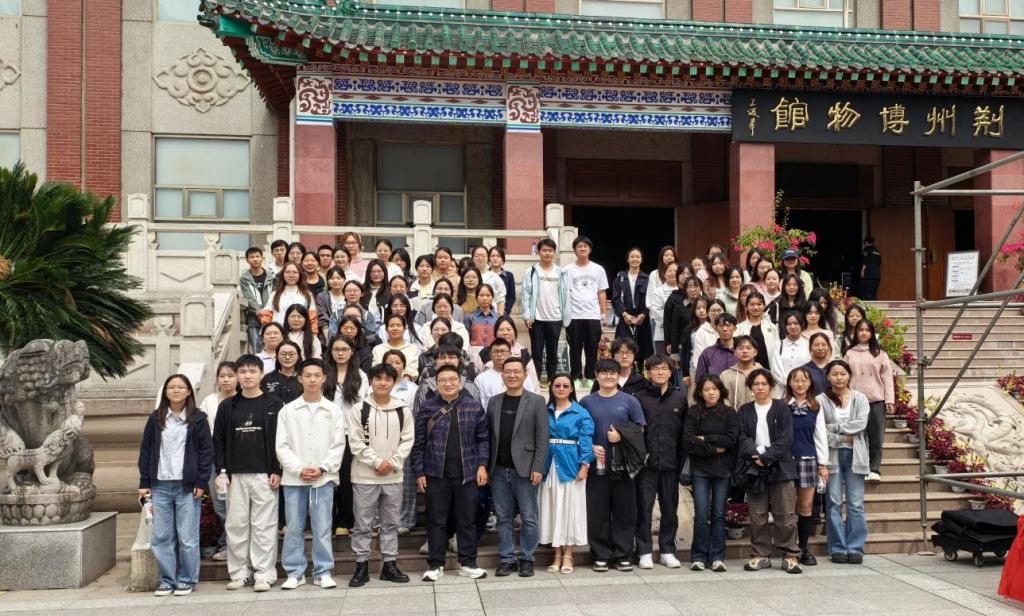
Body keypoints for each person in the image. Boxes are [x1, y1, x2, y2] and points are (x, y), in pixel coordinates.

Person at [412, 364, 490, 581]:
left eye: (452, 380)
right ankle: (435, 564)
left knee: (467, 520)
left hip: (468, 472)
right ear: (436, 384)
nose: (448, 384)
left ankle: (468, 563)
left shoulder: (473, 406)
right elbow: (419, 443)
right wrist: (419, 472)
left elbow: (483, 439)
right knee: (436, 520)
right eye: (443, 380)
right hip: (436, 473)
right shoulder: (427, 407)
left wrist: (482, 465)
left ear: (460, 382)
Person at [213, 354, 284, 592]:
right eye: (242, 371)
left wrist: (277, 469)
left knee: (264, 526)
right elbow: (218, 441)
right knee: (236, 525)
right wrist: (221, 471)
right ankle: (239, 573)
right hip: (234, 475)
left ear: (262, 374)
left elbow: (281, 440)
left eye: (253, 371)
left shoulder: (274, 404)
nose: (247, 376)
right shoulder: (227, 406)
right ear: (236, 376)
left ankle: (264, 573)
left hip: (264, 474)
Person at [138, 374, 213, 596]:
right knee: (161, 537)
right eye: (171, 387)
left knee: (187, 537)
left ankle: (187, 579)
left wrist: (201, 481)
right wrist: (144, 482)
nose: (176, 390)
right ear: (165, 392)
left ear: (189, 391)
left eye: (181, 387)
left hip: (187, 486)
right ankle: (167, 580)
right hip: (160, 485)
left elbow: (206, 452)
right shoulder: (156, 418)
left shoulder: (198, 418)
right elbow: (146, 450)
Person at [275, 359, 345, 590]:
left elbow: (338, 445)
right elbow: (281, 446)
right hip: (294, 479)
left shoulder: (333, 410)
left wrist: (323, 468)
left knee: (322, 526)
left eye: (317, 375)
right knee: (294, 527)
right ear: (300, 378)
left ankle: (322, 571)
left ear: (324, 378)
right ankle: (295, 572)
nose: (312, 379)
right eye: (308, 375)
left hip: (323, 478)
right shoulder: (288, 410)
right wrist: (299, 469)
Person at [347, 363, 415, 586]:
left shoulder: (402, 409)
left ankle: (389, 565)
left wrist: (393, 462)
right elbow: (355, 442)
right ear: (371, 381)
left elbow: (408, 440)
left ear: (394, 382)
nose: (383, 383)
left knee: (391, 523)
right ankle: (361, 566)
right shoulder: (359, 409)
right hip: (364, 476)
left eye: (388, 379)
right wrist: (376, 462)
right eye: (378, 378)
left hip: (393, 476)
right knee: (362, 524)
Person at [581, 359, 646, 572]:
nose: (608, 376)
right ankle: (600, 554)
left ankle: (623, 554)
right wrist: (590, 447)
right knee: (597, 511)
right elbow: (579, 430)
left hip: (623, 466)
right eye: (604, 373)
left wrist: (621, 435)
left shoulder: (630, 401)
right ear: (596, 375)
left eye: (612, 373)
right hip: (596, 466)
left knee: (624, 511)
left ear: (619, 375)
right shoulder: (587, 402)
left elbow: (640, 429)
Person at [486, 356, 549, 577]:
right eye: (508, 371)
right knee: (503, 517)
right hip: (498, 469)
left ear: (525, 374)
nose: (512, 375)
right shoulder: (494, 402)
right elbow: (488, 436)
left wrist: (538, 467)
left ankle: (527, 558)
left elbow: (542, 437)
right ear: (502, 375)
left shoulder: (536, 401)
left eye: (516, 371)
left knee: (529, 516)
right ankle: (507, 558)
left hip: (525, 469)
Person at [736, 368, 802, 574]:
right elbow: (741, 436)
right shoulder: (744, 410)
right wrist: (756, 454)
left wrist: (766, 458)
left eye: (764, 384)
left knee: (785, 515)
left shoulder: (782, 408)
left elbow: (785, 438)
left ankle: (790, 555)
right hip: (754, 469)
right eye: (756, 384)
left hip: (781, 467)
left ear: (771, 386)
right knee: (757, 515)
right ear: (750, 387)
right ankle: (760, 554)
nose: (760, 388)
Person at [633, 355, 686, 569]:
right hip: (646, 464)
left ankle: (667, 550)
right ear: (648, 372)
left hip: (671, 463)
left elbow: (684, 432)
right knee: (644, 509)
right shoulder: (639, 397)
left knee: (669, 509)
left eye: (664, 368)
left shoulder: (679, 398)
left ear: (670, 372)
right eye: (655, 368)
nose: (660, 372)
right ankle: (644, 551)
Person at [684, 374, 738, 572]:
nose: (711, 393)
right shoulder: (693, 412)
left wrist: (705, 438)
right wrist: (715, 448)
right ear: (700, 392)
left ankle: (717, 556)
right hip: (700, 470)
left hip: (723, 470)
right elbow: (688, 441)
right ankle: (698, 556)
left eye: (714, 389)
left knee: (719, 514)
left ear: (720, 390)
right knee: (701, 514)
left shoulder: (730, 413)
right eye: (706, 389)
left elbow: (731, 440)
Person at [539, 374, 594, 575]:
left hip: (571, 465)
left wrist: (585, 465)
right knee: (552, 508)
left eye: (565, 385)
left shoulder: (581, 413)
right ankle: (556, 554)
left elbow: (586, 439)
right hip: (548, 465)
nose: (561, 388)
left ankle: (569, 554)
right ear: (551, 388)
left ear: (572, 389)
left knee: (570, 509)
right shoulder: (544, 411)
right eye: (557, 385)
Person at [817, 360, 870, 564]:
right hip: (831, 455)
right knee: (834, 503)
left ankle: (855, 547)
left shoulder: (860, 398)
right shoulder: (821, 400)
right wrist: (844, 436)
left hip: (856, 455)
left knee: (855, 504)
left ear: (849, 375)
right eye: (834, 374)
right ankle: (837, 547)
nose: (839, 377)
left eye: (843, 373)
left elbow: (861, 424)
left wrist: (835, 427)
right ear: (828, 377)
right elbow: (821, 430)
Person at [323, 334, 369, 536]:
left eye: (344, 349)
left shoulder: (360, 376)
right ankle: (325, 519)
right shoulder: (323, 374)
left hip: (350, 434)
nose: (340, 353)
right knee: (326, 477)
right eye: (336, 349)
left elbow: (363, 406)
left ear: (352, 352)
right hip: (326, 433)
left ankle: (344, 519)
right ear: (331, 352)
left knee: (345, 478)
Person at [785, 368, 829, 566]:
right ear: (789, 383)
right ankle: (788, 548)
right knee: (787, 507)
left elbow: (820, 436)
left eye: (804, 380)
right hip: (785, 460)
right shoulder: (782, 405)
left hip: (808, 459)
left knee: (806, 506)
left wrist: (823, 464)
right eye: (796, 380)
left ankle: (803, 548)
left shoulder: (815, 407)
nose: (800, 384)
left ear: (810, 383)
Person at [843, 318, 893, 483]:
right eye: (860, 330)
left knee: (876, 435)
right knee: (858, 435)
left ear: (872, 333)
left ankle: (874, 469)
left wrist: (889, 400)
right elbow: (843, 375)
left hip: (876, 400)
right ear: (856, 333)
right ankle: (861, 467)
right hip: (855, 400)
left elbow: (887, 378)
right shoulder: (849, 353)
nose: (863, 333)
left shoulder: (880, 353)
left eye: (867, 330)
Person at [199, 362, 237, 561]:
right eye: (222, 376)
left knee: (238, 504)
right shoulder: (209, 401)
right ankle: (228, 544)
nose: (226, 379)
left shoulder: (243, 400)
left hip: (239, 458)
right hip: (215, 457)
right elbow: (204, 431)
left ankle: (238, 545)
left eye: (230, 375)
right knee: (220, 503)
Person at [521, 238, 570, 385]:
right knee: (536, 351)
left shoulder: (561, 272)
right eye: (544, 250)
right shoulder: (531, 271)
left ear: (554, 252)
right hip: (536, 318)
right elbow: (526, 295)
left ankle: (552, 380)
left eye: (550, 250)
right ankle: (535, 381)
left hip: (555, 318)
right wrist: (527, 316)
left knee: (553, 352)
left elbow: (566, 295)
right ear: (539, 252)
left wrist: (565, 317)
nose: (547, 253)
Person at [565, 236, 609, 392]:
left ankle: (590, 376)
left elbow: (601, 292)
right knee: (575, 348)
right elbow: (565, 293)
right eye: (579, 246)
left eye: (585, 246)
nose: (582, 248)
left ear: (590, 249)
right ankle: (576, 377)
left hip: (593, 316)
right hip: (574, 316)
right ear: (575, 250)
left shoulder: (598, 269)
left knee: (592, 348)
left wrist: (604, 313)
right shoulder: (567, 270)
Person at [611, 247, 652, 362]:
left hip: (642, 318)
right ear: (628, 259)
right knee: (623, 347)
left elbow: (651, 298)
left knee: (643, 348)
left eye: (638, 257)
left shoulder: (647, 278)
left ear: (641, 259)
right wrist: (624, 314)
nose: (635, 259)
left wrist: (643, 314)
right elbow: (615, 298)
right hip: (625, 318)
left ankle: (640, 370)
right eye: (632, 257)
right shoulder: (620, 278)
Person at [475, 338, 539, 409]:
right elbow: (481, 406)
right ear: (490, 354)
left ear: (510, 354)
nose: (499, 355)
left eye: (503, 351)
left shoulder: (521, 376)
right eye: (496, 352)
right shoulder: (481, 379)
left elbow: (532, 400)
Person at [241, 247, 275, 353]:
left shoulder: (271, 277)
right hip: (254, 318)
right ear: (247, 260)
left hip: (271, 317)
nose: (255, 259)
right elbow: (249, 297)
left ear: (262, 258)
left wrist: (267, 312)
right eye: (252, 257)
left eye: (257, 256)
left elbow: (275, 295)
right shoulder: (244, 278)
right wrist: (260, 312)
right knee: (257, 349)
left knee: (273, 347)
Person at [736, 291, 779, 373]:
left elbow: (777, 351)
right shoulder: (739, 328)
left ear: (764, 306)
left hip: (769, 370)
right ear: (746, 307)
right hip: (746, 371)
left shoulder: (772, 327)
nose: (756, 307)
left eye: (759, 304)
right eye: (752, 304)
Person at [260, 262, 314, 326]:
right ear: (283, 275)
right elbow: (267, 317)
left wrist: (313, 332)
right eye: (287, 272)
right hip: (278, 331)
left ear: (300, 275)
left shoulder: (308, 295)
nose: (291, 275)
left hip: (301, 331)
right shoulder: (274, 295)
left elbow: (313, 318)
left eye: (295, 272)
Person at [720, 335, 765, 409]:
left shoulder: (765, 375)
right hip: (733, 415)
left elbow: (771, 398)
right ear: (734, 352)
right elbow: (723, 399)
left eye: (748, 348)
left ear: (755, 352)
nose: (745, 351)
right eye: (740, 348)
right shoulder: (725, 375)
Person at [372, 314, 420, 380]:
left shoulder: (412, 349)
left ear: (404, 329)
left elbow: (412, 370)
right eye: (391, 326)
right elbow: (376, 369)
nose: (395, 328)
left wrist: (402, 383)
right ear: (386, 329)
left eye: (398, 325)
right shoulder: (378, 349)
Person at [689, 299, 726, 385]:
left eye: (719, 310)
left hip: (727, 375)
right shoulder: (701, 331)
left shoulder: (730, 329)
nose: (716, 313)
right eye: (713, 310)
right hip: (708, 376)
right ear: (707, 313)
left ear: (724, 311)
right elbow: (698, 358)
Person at [694, 313, 738, 384]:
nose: (725, 329)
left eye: (728, 325)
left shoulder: (742, 351)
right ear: (716, 328)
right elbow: (700, 380)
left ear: (735, 328)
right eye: (721, 325)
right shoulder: (707, 353)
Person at [647, 261, 678, 357]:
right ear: (664, 274)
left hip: (680, 334)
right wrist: (673, 322)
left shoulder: (684, 290)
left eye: (675, 271)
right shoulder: (658, 291)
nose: (673, 273)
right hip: (662, 334)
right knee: (661, 361)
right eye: (670, 271)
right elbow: (656, 311)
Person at [772, 311, 811, 387]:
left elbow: (810, 368)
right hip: (783, 389)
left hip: (804, 388)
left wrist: (800, 384)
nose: (792, 327)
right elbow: (775, 370)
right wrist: (790, 384)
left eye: (796, 323)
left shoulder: (808, 344)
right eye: (789, 324)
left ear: (802, 324)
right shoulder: (778, 345)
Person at [470, 245, 507, 314]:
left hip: (491, 315)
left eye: (483, 256)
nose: (480, 258)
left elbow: (500, 299)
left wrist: (500, 316)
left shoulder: (495, 277)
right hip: (471, 313)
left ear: (488, 258)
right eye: (477, 256)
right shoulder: (468, 276)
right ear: (472, 258)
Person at [465, 284, 499, 349]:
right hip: (474, 353)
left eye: (488, 295)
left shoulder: (498, 318)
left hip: (493, 352)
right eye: (481, 295)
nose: (485, 298)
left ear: (492, 297)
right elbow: (466, 339)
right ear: (476, 297)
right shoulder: (469, 317)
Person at [488, 246, 516, 317]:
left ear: (503, 260)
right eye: (492, 256)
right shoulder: (485, 275)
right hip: (486, 312)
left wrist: (505, 311)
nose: (495, 258)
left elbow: (511, 297)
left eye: (498, 256)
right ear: (489, 259)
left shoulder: (509, 275)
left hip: (503, 313)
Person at [860, 236, 882, 300]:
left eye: (864, 243)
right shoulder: (877, 252)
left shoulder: (867, 250)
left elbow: (865, 261)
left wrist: (862, 272)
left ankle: (868, 306)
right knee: (873, 294)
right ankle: (874, 305)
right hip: (876, 275)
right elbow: (879, 263)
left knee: (867, 294)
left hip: (869, 275)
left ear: (866, 242)